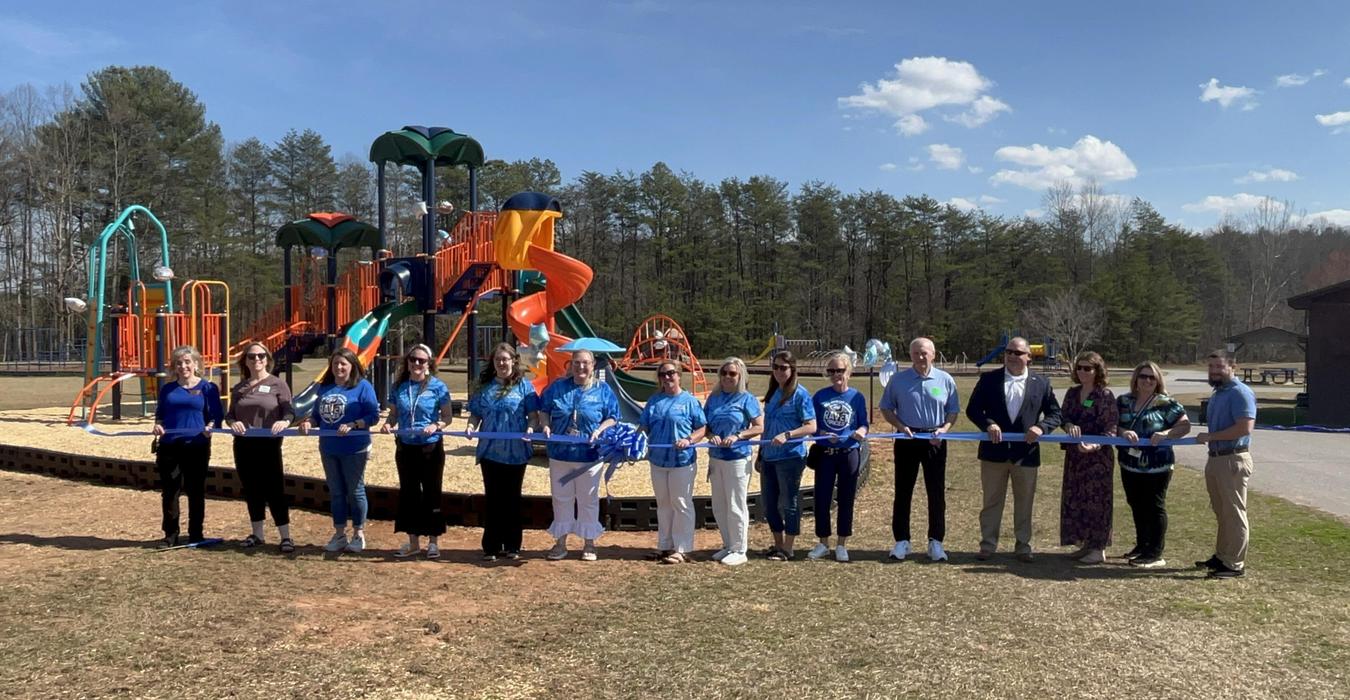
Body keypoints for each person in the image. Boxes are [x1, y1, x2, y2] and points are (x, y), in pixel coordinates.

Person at [966, 337, 1062, 562]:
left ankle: (1023, 545)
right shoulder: (989, 379)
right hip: (993, 453)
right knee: (991, 501)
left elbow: (1055, 414)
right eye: (1009, 352)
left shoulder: (1042, 383)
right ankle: (988, 544)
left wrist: (1042, 427)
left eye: (1018, 353)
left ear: (1029, 357)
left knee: (1025, 502)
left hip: (1026, 455)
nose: (1012, 356)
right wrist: (988, 423)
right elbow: (973, 409)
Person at [879, 337, 960, 562]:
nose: (920, 357)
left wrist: (944, 428)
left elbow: (953, 410)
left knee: (936, 492)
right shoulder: (898, 380)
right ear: (911, 355)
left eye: (924, 353)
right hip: (907, 438)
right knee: (903, 491)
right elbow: (886, 407)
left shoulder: (945, 380)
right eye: (916, 353)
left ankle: (936, 541)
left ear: (933, 354)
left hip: (935, 440)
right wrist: (900, 426)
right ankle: (902, 541)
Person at [537, 349, 620, 562]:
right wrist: (545, 426)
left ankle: (589, 543)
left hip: (589, 457)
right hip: (560, 454)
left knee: (588, 499)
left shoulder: (603, 390)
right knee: (561, 498)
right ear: (570, 365)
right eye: (576, 363)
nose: (581, 367)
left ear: (593, 365)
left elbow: (613, 417)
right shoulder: (557, 388)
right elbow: (544, 409)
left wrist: (600, 430)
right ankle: (561, 542)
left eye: (585, 363)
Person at [298, 348, 380, 554]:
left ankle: (358, 533)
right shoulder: (325, 388)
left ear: (352, 365)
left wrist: (355, 424)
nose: (339, 367)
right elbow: (316, 415)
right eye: (335, 364)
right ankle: (339, 533)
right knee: (336, 492)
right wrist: (308, 422)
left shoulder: (362, 387)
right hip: (328, 447)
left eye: (343, 363)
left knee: (355, 490)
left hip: (354, 448)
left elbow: (374, 415)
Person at [467, 342, 541, 561]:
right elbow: (475, 414)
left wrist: (530, 428)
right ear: (493, 362)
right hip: (490, 452)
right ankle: (491, 546)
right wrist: (471, 426)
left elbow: (533, 415)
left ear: (513, 361)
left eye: (505, 359)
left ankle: (512, 545)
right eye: (498, 359)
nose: (502, 363)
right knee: (493, 499)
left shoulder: (524, 387)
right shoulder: (484, 388)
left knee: (512, 499)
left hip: (516, 452)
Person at [380, 344, 453, 560]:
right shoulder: (399, 387)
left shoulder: (438, 387)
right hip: (405, 447)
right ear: (408, 362)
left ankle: (433, 541)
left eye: (422, 360)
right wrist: (388, 424)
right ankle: (413, 542)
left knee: (432, 491)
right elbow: (393, 415)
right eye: (413, 359)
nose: (417, 364)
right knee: (409, 493)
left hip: (430, 446)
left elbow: (447, 417)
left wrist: (437, 425)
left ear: (429, 363)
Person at [1115, 361, 1191, 568]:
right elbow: (1113, 425)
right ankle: (1142, 545)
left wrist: (1166, 433)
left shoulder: (1166, 403)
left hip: (1158, 465)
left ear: (1157, 381)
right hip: (1129, 463)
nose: (1147, 380)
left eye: (1152, 377)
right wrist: (1123, 432)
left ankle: (1155, 553)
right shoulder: (1123, 401)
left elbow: (1185, 426)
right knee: (1136, 504)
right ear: (1136, 379)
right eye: (1143, 376)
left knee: (1154, 506)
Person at [152, 345, 224, 547]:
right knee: (170, 491)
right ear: (174, 367)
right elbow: (161, 414)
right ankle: (170, 535)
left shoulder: (208, 388)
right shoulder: (168, 389)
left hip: (197, 446)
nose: (183, 366)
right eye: (178, 363)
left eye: (187, 362)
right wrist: (158, 425)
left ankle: (196, 534)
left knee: (196, 490)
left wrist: (211, 426)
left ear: (196, 364)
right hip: (169, 447)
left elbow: (216, 416)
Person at [226, 342, 295, 553]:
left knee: (275, 489)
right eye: (252, 356)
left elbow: (289, 411)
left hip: (269, 445)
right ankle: (257, 533)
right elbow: (230, 415)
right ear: (245, 361)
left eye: (261, 356)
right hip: (244, 445)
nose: (257, 360)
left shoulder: (278, 384)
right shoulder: (239, 387)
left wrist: (285, 422)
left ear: (268, 359)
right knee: (252, 489)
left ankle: (285, 537)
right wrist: (232, 423)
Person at [1194, 350, 1257, 579]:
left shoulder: (1241, 393)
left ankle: (1234, 564)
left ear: (1233, 367)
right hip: (1216, 458)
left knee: (1234, 512)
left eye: (1219, 367)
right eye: (1211, 367)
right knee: (1221, 511)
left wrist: (1212, 437)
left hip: (1233, 458)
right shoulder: (1219, 392)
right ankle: (1222, 556)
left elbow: (1244, 428)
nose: (1214, 372)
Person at [639, 360, 707, 564]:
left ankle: (683, 548)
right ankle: (665, 545)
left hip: (682, 461)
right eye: (662, 375)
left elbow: (702, 428)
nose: (667, 378)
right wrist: (635, 442)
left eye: (670, 373)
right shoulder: (654, 401)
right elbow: (644, 426)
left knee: (681, 503)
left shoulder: (689, 401)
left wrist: (689, 440)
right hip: (658, 461)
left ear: (679, 375)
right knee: (663, 504)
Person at [807, 352, 869, 563]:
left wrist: (861, 431)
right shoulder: (820, 397)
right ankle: (823, 543)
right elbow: (812, 427)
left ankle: (842, 544)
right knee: (822, 499)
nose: (835, 375)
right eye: (831, 371)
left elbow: (863, 424)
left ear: (848, 372)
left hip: (849, 454)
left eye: (840, 371)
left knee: (846, 499)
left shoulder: (857, 397)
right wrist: (822, 434)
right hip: (825, 454)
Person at [1059, 351, 1119, 565]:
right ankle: (1085, 543)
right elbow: (1063, 416)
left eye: (1088, 368)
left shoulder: (1105, 395)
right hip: (1076, 457)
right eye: (1080, 368)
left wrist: (1095, 444)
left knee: (1098, 502)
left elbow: (1112, 426)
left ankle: (1098, 547)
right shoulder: (1072, 393)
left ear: (1097, 371)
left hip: (1098, 459)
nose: (1083, 372)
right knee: (1077, 499)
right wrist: (1068, 425)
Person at [703, 357, 764, 567]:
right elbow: (705, 426)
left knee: (736, 504)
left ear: (740, 376)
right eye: (724, 373)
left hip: (737, 458)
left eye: (733, 374)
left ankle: (740, 549)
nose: (728, 377)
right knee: (719, 505)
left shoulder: (747, 399)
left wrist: (738, 436)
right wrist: (710, 435)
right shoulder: (714, 398)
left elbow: (759, 426)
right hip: (716, 457)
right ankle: (728, 544)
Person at [758, 351, 818, 561]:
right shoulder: (773, 392)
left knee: (788, 502)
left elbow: (811, 426)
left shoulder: (800, 394)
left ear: (792, 369)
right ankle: (778, 543)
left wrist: (788, 434)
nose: (779, 371)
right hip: (768, 457)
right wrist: (760, 454)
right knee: (769, 503)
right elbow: (766, 428)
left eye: (783, 368)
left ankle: (789, 547)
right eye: (775, 367)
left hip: (790, 457)